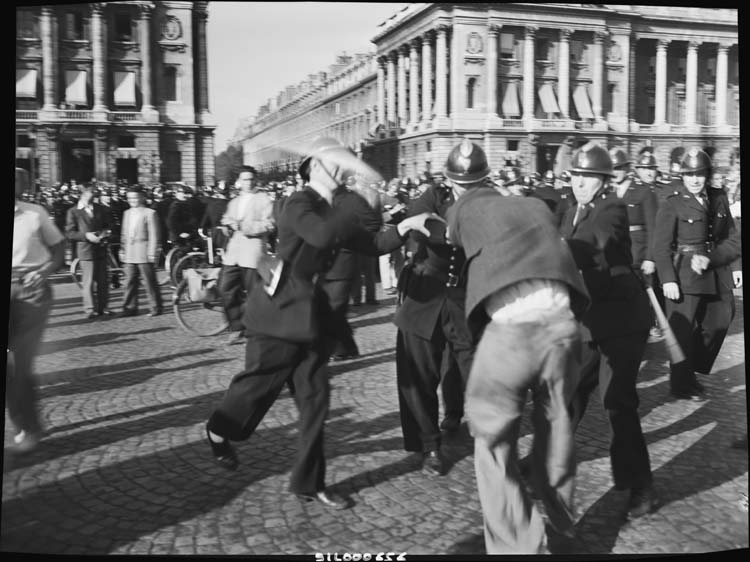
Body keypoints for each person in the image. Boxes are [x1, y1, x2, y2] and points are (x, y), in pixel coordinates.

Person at [204, 137, 438, 510]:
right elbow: (323, 234)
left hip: (312, 320)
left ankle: (308, 483)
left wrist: (406, 225)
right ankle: (219, 430)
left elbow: (373, 243)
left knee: (316, 404)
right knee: (256, 387)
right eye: (337, 164)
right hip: (277, 314)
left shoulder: (337, 205)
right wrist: (351, 203)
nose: (344, 171)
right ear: (314, 167)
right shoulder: (298, 203)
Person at [446, 173, 590, 555]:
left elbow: (454, 237)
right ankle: (561, 514)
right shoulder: (533, 205)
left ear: (457, 186)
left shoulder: (464, 209)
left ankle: (519, 545)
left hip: (511, 333)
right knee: (557, 423)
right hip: (563, 325)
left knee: (492, 444)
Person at [560, 142, 657, 519]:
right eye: (576, 177)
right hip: (588, 322)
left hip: (623, 322)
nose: (580, 184)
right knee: (568, 394)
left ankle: (642, 487)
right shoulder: (569, 211)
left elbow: (588, 245)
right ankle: (547, 464)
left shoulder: (610, 208)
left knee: (617, 402)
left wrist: (556, 250)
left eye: (588, 178)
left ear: (602, 180)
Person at [394, 139, 482, 475]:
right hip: (425, 295)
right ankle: (430, 445)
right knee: (418, 375)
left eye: (471, 184)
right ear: (449, 179)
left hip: (465, 298)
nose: (464, 189)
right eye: (459, 183)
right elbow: (422, 227)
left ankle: (484, 430)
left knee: (476, 369)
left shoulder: (487, 201)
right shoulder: (433, 195)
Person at [652, 147, 742, 400]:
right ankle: (681, 385)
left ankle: (692, 369)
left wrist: (736, 267)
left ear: (708, 175)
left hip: (714, 271)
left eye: (700, 174)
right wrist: (668, 278)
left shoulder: (719, 197)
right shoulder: (673, 201)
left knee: (721, 320)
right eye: (689, 174)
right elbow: (660, 246)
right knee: (682, 332)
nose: (694, 179)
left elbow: (731, 238)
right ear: (682, 176)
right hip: (683, 275)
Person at [10, 168, 66, 453]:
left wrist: (44, 270)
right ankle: (23, 423)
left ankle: (29, 428)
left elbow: (59, 249)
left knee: (20, 365)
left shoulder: (35, 214)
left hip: (31, 292)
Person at [218, 166, 275, 346]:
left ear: (256, 180)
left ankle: (256, 329)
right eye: (244, 179)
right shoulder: (234, 201)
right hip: (234, 252)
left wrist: (245, 227)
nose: (248, 183)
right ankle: (236, 326)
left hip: (253, 252)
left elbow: (270, 224)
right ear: (239, 181)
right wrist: (227, 226)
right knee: (225, 288)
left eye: (251, 179)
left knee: (254, 293)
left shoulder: (264, 199)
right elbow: (226, 219)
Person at [611, 149, 661, 342]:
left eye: (619, 168)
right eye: (612, 169)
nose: (615, 172)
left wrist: (650, 257)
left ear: (627, 168)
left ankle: (645, 326)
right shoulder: (607, 191)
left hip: (637, 252)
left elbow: (653, 227)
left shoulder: (643, 191)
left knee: (641, 293)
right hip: (615, 251)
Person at [65, 186, 114, 318]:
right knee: (88, 282)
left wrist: (104, 234)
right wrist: (86, 235)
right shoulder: (73, 212)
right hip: (86, 251)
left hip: (101, 248)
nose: (93, 198)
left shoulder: (100, 209)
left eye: (94, 195)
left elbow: (108, 225)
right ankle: (90, 309)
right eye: (90, 195)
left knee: (103, 281)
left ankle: (103, 307)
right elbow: (69, 233)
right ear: (82, 195)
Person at [119, 186, 163, 317]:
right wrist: (122, 249)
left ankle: (155, 306)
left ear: (142, 197)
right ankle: (129, 307)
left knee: (149, 281)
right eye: (129, 198)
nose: (131, 200)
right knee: (129, 281)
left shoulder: (150, 213)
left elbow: (154, 235)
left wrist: (152, 252)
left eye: (134, 197)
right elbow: (124, 233)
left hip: (144, 251)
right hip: (130, 251)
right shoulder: (126, 213)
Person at [199, 184, 230, 253]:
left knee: (213, 254)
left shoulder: (211, 204)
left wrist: (202, 228)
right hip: (226, 233)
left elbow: (205, 219)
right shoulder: (230, 204)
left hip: (214, 232)